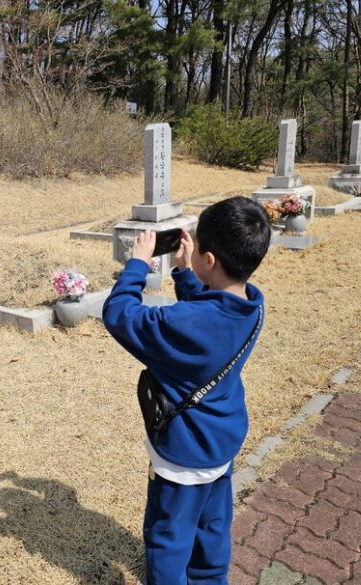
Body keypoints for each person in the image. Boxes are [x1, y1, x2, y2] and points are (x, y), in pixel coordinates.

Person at [102, 196, 271, 585]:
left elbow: (120, 315)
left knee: (167, 539)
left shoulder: (187, 322)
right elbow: (208, 316)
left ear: (209, 260)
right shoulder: (251, 305)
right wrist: (184, 274)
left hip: (183, 455)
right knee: (212, 530)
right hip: (221, 444)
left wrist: (138, 264)